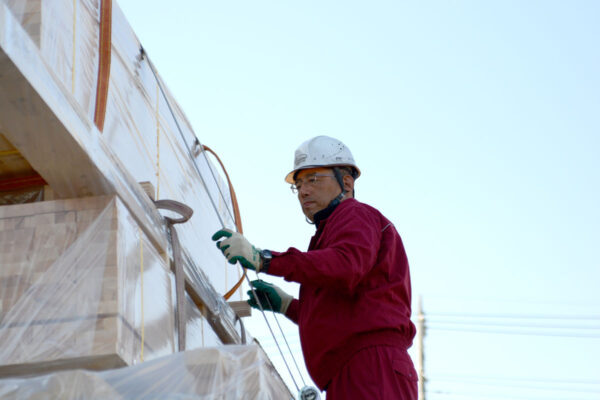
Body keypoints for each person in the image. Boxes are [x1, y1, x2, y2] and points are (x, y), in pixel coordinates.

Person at [212, 136, 418, 399]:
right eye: (298, 185)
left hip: (371, 366)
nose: (303, 191)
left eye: (313, 179)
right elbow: (342, 312)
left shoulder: (355, 214)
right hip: (357, 369)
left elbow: (345, 266)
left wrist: (264, 259)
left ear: (346, 182)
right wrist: (288, 306)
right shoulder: (335, 230)